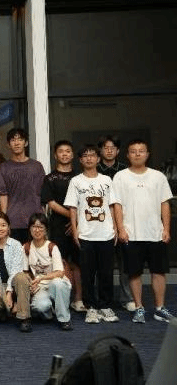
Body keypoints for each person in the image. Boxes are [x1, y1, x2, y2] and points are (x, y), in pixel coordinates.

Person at [113, 139, 175, 324]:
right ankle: (139, 308)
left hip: (156, 233)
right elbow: (117, 205)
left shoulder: (158, 176)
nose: (137, 154)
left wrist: (166, 229)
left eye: (141, 151)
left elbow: (165, 203)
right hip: (131, 234)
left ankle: (159, 308)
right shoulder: (120, 177)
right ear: (128, 155)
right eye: (133, 151)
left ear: (147, 154)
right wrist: (121, 229)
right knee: (134, 273)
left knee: (159, 272)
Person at [64, 145, 119, 325]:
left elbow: (112, 205)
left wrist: (116, 228)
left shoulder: (106, 180)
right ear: (80, 160)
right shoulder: (76, 181)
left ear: (98, 158)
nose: (89, 158)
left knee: (106, 272)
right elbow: (73, 208)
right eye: (85, 156)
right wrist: (75, 230)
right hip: (86, 235)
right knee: (87, 274)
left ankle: (105, 306)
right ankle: (91, 307)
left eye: (92, 155)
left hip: (106, 234)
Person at [41, 140, 84, 313]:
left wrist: (77, 222)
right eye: (61, 151)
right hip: (58, 226)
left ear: (72, 155)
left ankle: (79, 299)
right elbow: (50, 203)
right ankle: (63, 299)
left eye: (68, 151)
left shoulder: (81, 177)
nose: (64, 154)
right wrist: (72, 217)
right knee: (61, 262)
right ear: (55, 155)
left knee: (79, 263)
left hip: (81, 226)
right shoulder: (50, 178)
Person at [97, 135, 136, 312]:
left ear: (118, 151)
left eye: (112, 147)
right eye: (106, 147)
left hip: (124, 222)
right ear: (100, 150)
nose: (109, 150)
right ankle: (103, 299)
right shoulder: (94, 170)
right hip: (99, 222)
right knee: (102, 265)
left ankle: (127, 298)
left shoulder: (126, 171)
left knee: (124, 262)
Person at [0, 128, 45, 244]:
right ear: (8, 144)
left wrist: (43, 219)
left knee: (35, 254)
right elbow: (3, 195)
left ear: (26, 143)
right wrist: (4, 222)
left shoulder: (37, 166)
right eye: (13, 140)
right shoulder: (4, 167)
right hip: (13, 222)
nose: (16, 143)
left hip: (35, 221)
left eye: (20, 139)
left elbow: (42, 194)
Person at [0, 212, 32, 332]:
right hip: (0, 284)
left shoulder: (16, 244)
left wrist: (9, 293)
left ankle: (24, 318)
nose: (0, 228)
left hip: (15, 283)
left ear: (9, 227)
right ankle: (8, 310)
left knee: (21, 277)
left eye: (3, 225)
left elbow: (16, 270)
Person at [24, 213, 73, 331]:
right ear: (30, 229)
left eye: (40, 227)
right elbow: (25, 272)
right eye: (34, 227)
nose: (37, 230)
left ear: (46, 229)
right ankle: (50, 311)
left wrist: (40, 278)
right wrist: (31, 284)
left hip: (55, 284)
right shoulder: (26, 247)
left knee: (58, 283)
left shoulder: (52, 247)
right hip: (40, 287)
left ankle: (64, 319)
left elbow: (60, 273)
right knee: (39, 307)